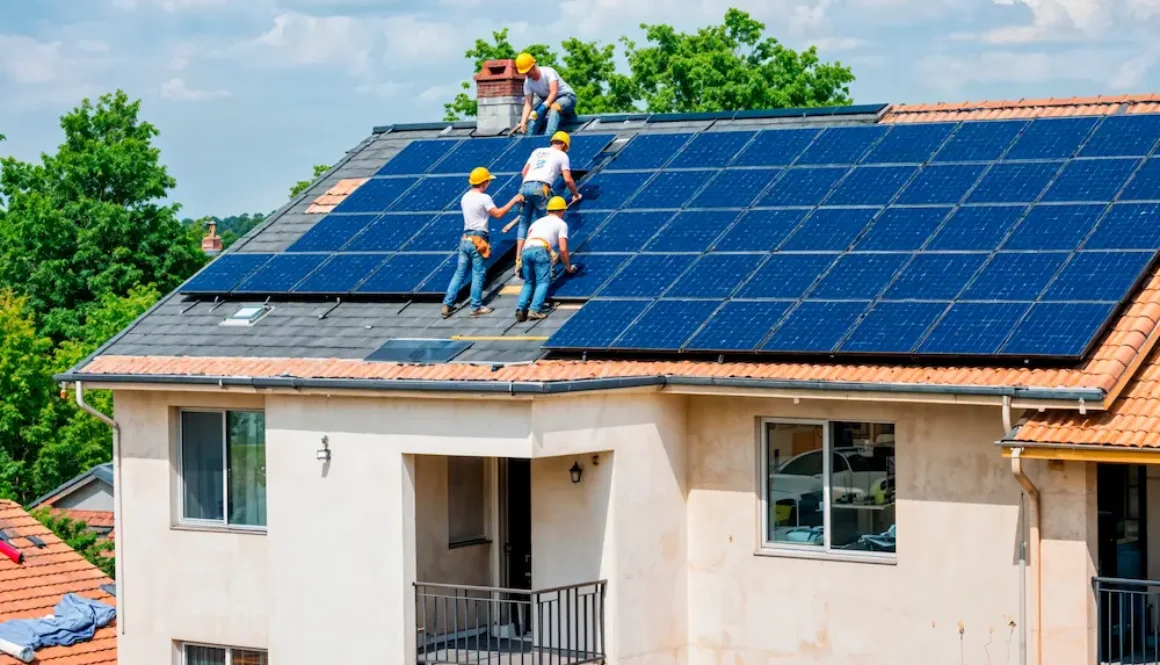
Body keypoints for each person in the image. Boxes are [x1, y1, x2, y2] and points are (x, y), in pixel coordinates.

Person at [441, 167, 524, 318]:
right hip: (478, 239)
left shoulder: (465, 197)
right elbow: (498, 214)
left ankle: (447, 304)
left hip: (465, 239)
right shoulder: (484, 198)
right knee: (478, 273)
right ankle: (476, 307)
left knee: (460, 273)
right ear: (484, 182)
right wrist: (514, 200)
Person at [508, 130, 581, 273]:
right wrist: (576, 194)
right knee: (546, 223)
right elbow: (567, 179)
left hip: (525, 187)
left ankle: (518, 260)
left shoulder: (537, 151)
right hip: (541, 188)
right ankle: (549, 258)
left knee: (524, 223)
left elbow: (524, 172)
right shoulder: (562, 155)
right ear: (565, 145)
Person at [516, 196, 577, 322]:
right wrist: (568, 267)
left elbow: (533, 238)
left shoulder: (537, 222)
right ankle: (534, 310)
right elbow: (564, 249)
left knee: (529, 281)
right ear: (561, 211)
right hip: (541, 250)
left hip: (526, 250)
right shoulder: (561, 224)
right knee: (543, 282)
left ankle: (520, 309)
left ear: (549, 210)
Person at [514, 52, 577, 137]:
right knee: (534, 116)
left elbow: (554, 92)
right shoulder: (528, 82)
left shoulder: (548, 72)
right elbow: (528, 104)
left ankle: (547, 138)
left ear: (533, 66)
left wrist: (544, 106)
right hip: (547, 101)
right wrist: (523, 122)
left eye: (528, 71)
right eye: (525, 72)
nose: (527, 74)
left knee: (554, 108)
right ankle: (529, 139)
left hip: (566, 97)